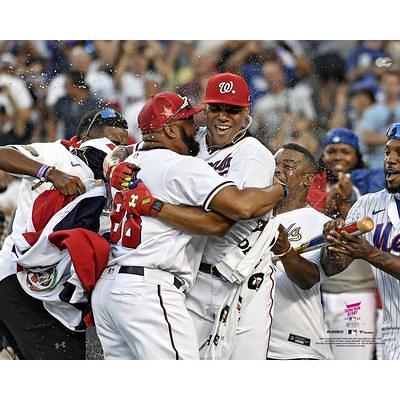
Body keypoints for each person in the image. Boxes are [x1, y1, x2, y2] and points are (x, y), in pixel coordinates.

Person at [92, 91, 286, 360]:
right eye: (187, 121)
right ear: (170, 129)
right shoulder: (178, 165)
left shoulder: (129, 162)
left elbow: (120, 154)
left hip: (110, 291)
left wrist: (114, 164)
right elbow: (240, 208)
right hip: (149, 289)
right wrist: (280, 191)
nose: (194, 127)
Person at [0, 108, 128, 360]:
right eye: (111, 138)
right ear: (86, 136)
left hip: (60, 293)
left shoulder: (122, 173)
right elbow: (3, 154)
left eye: (122, 142)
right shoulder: (58, 152)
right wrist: (49, 172)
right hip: (23, 280)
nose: (117, 146)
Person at [322, 122, 400, 360]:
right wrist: (333, 243)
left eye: (399, 154)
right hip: (392, 331)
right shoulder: (366, 204)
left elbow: (368, 253)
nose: (390, 159)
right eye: (387, 151)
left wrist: (370, 253)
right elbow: (332, 267)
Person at [307, 128, 382, 359]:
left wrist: (347, 204)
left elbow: (375, 233)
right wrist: (330, 203)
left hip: (355, 294)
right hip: (314, 295)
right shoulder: (313, 186)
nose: (338, 157)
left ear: (357, 156)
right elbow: (308, 229)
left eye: (345, 151)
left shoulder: (374, 186)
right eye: (331, 151)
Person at [267, 143, 333, 360]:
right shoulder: (253, 216)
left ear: (309, 179)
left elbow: (309, 278)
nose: (277, 170)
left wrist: (285, 250)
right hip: (253, 344)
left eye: (288, 166)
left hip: (297, 349)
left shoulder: (320, 223)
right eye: (274, 164)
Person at [359, 69, 400, 169]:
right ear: (382, 85)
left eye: (393, 84)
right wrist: (396, 139)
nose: (390, 87)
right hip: (376, 163)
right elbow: (367, 137)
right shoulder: (371, 111)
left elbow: (372, 137)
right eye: (387, 84)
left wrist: (378, 138)